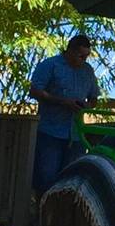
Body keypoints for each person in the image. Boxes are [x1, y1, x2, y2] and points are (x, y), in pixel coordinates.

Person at [28, 34, 99, 193]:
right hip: (50, 131)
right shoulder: (50, 65)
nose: (83, 60)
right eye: (81, 56)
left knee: (72, 179)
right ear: (71, 51)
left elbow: (94, 97)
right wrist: (62, 101)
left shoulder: (87, 71)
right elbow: (35, 91)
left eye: (87, 57)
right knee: (46, 177)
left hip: (76, 134)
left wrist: (87, 105)